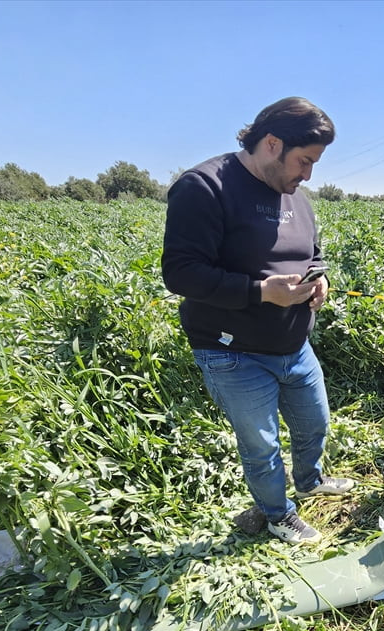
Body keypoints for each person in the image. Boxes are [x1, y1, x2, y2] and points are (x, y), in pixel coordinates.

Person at [162, 97, 354, 545]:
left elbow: (313, 252)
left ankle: (309, 479)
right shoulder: (204, 187)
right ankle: (276, 514)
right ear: (272, 144)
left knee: (315, 423)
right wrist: (262, 292)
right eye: (304, 161)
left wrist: (319, 278)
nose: (308, 174)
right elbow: (181, 272)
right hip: (232, 350)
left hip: (293, 343)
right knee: (262, 446)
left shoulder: (296, 197)